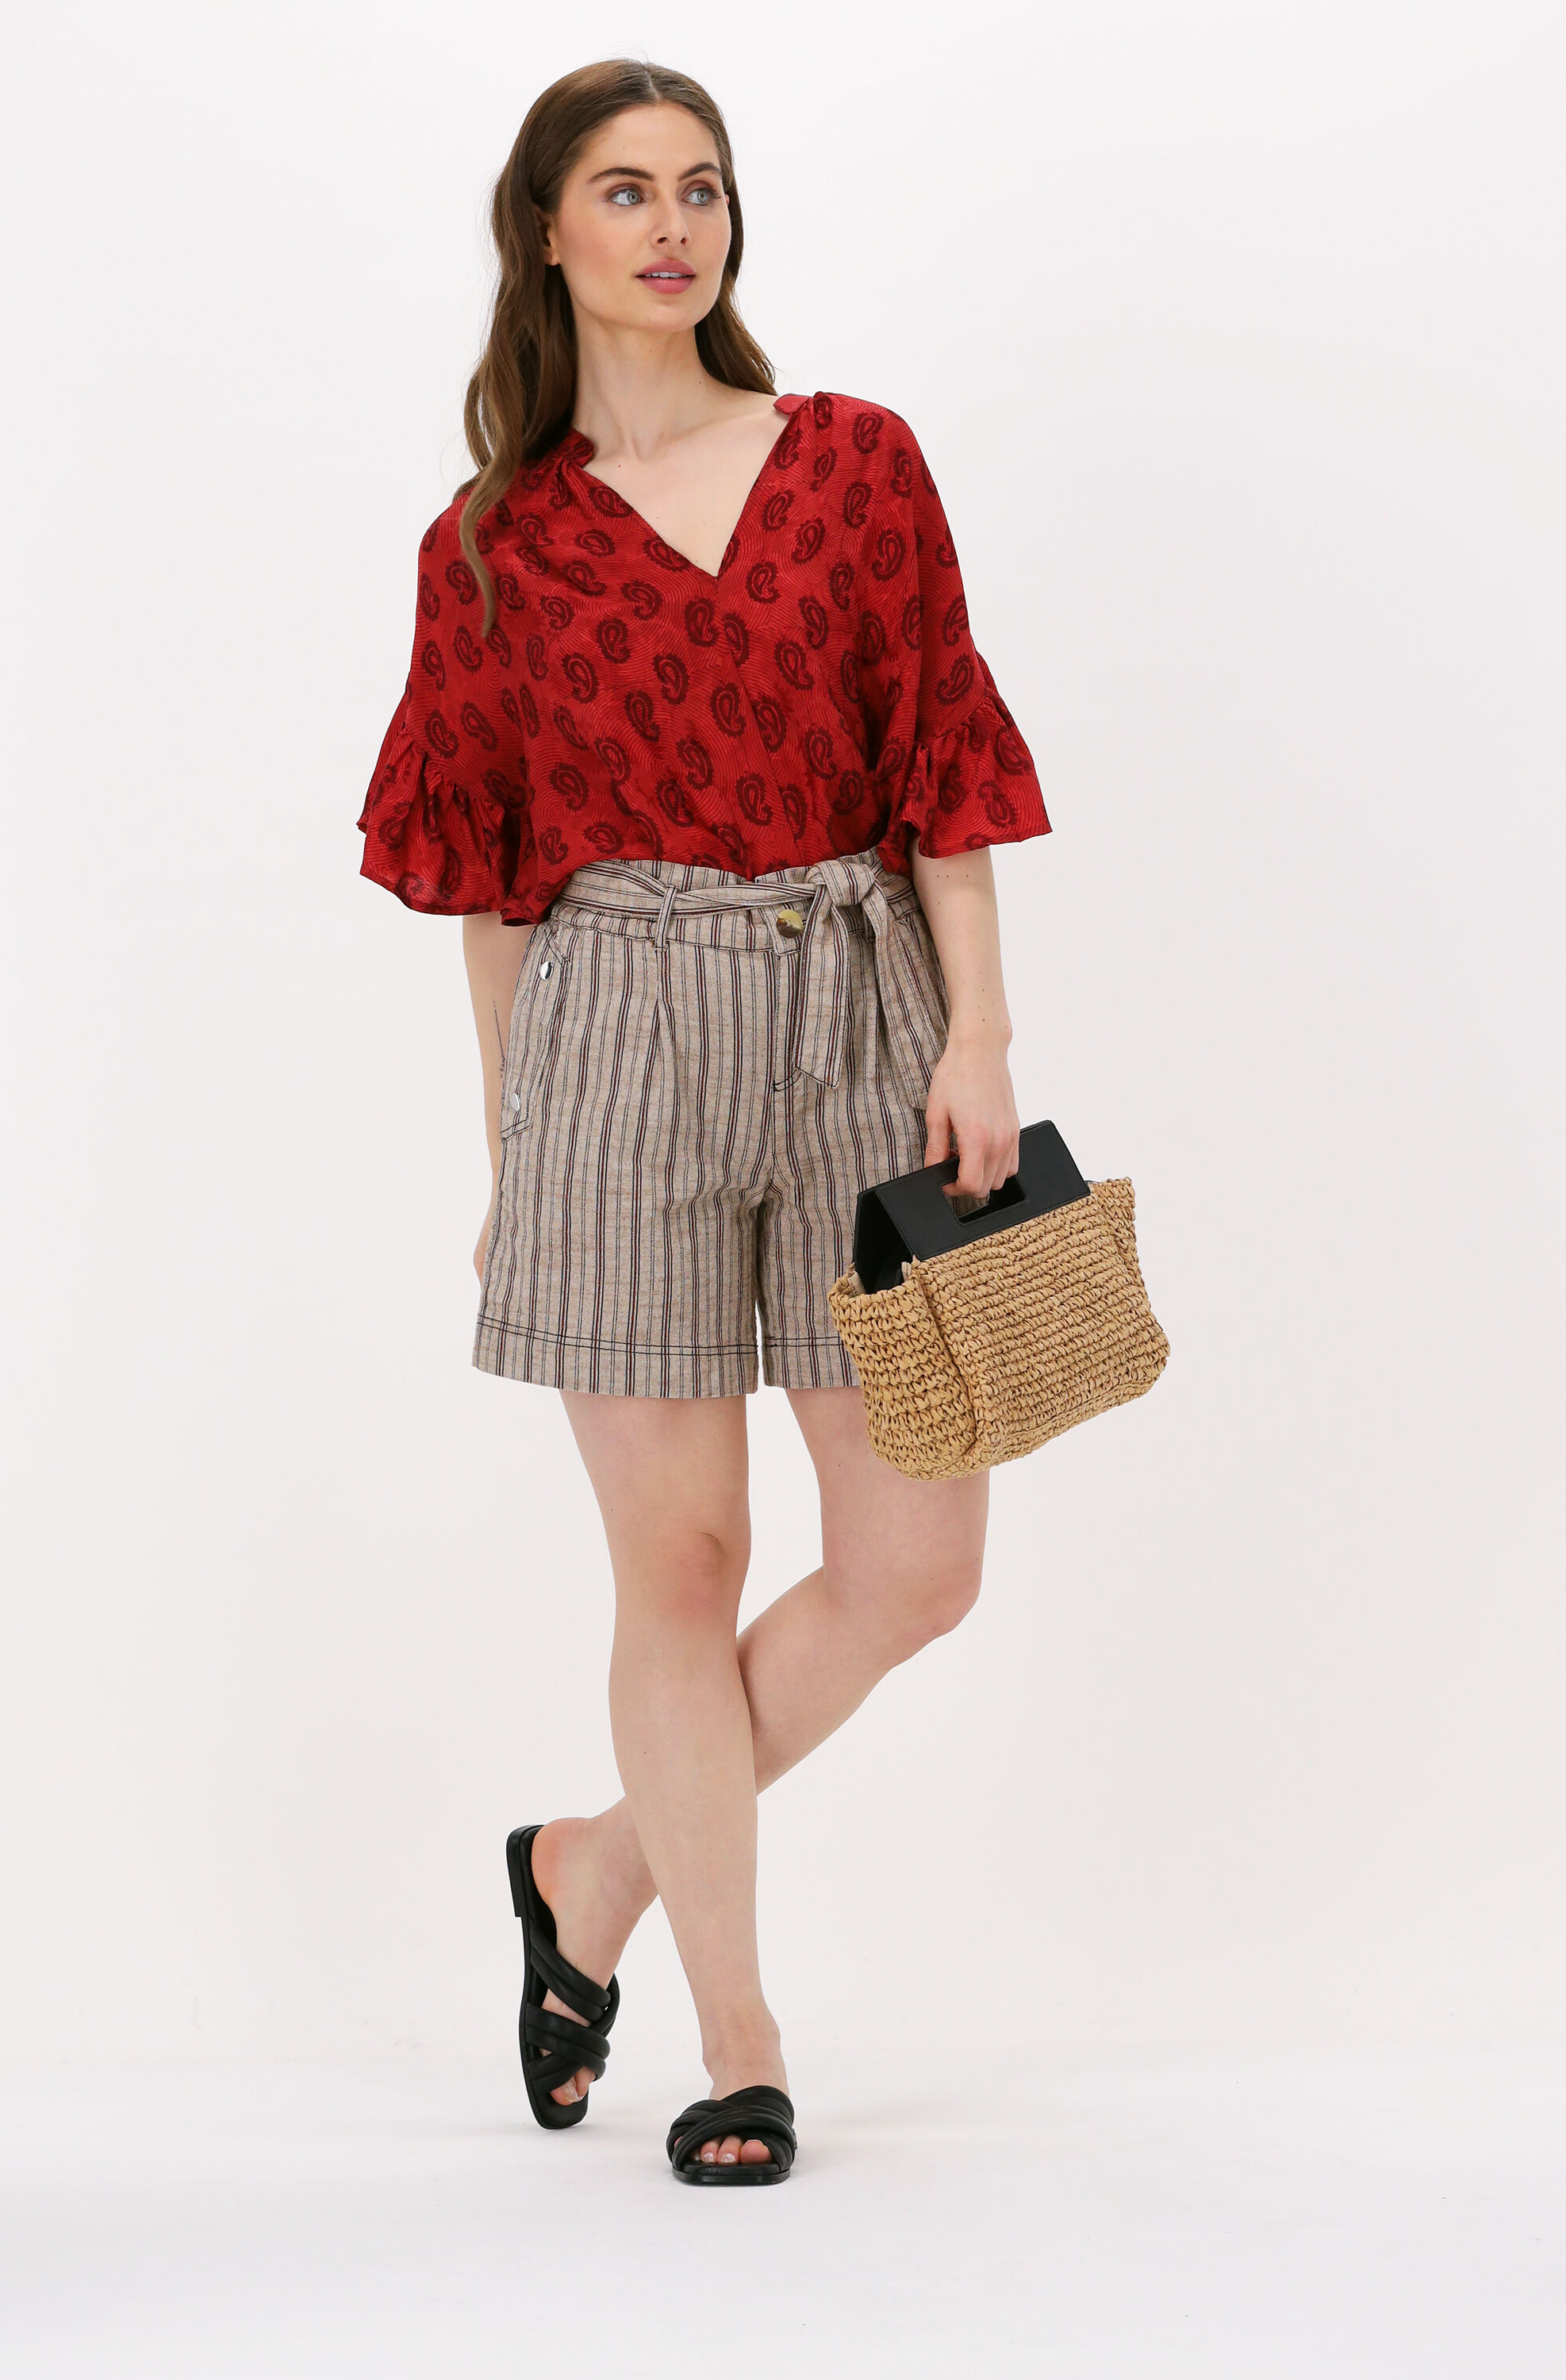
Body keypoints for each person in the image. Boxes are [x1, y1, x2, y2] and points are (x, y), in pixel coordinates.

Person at [355, 58, 1052, 2186]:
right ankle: (736, 2040)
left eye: (704, 190)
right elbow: (488, 893)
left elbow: (941, 758)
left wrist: (980, 1036)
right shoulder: (489, 546)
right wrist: (514, 1161)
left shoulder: (855, 462)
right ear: (544, 232)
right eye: (626, 191)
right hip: (616, 1042)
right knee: (681, 1559)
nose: (674, 227)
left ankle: (588, 1871)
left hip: (859, 1014)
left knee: (917, 1564)